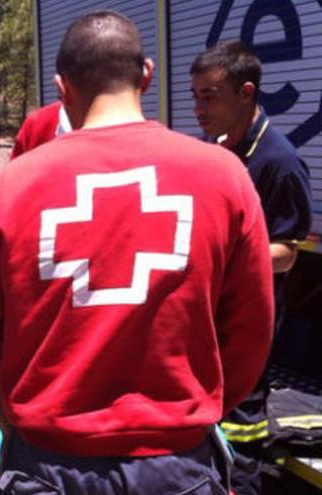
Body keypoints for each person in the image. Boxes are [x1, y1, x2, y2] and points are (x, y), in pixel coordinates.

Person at [0, 11, 274, 495]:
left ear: (62, 88)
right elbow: (251, 330)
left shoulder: (10, 187)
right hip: (177, 467)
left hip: (47, 465)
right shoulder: (225, 176)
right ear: (147, 74)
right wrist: (188, 417)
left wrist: (15, 424)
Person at [190, 40, 314, 495]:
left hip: (250, 315)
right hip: (212, 308)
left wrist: (221, 255)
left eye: (209, 96)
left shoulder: (280, 162)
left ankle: (242, 482)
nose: (198, 109)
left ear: (246, 93)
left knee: (242, 414)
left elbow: (288, 252)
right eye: (195, 96)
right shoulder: (217, 149)